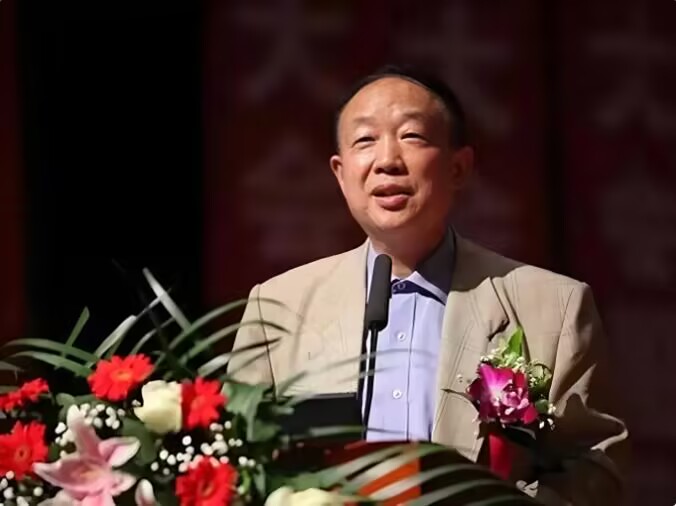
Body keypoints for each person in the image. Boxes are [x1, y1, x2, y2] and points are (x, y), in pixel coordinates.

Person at [229, 65, 628, 505]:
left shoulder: (552, 305)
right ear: (340, 173)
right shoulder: (279, 306)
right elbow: (237, 462)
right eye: (365, 140)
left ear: (459, 167)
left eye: (412, 136)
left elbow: (596, 466)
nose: (387, 160)